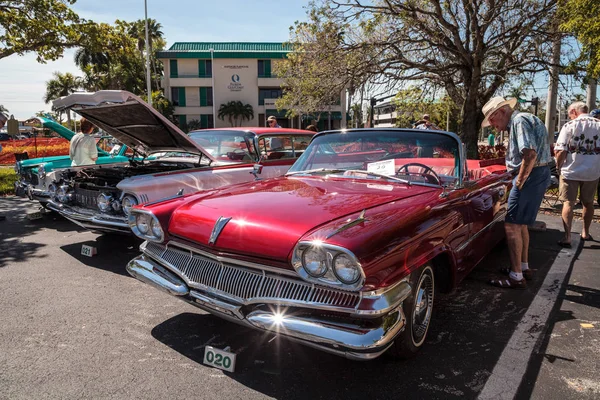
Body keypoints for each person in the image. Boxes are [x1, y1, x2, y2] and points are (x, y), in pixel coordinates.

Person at [482, 96, 551, 289]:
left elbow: (529, 154)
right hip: (538, 174)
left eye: (492, 120)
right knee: (521, 225)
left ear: (500, 112)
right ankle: (523, 267)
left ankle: (516, 276)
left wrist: (519, 182)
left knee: (512, 225)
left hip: (530, 175)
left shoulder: (519, 121)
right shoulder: (527, 118)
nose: (494, 126)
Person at [554, 101, 600, 246]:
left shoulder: (569, 126)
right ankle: (585, 232)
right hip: (592, 172)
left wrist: (558, 165)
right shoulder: (599, 124)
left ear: (574, 111)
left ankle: (567, 236)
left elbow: (561, 150)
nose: (569, 117)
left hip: (571, 171)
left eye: (569, 114)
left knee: (568, 203)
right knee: (588, 203)